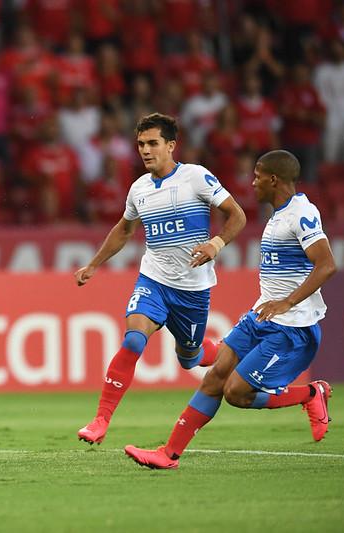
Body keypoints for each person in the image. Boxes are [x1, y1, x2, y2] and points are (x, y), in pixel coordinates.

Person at [124, 150, 337, 469]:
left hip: (293, 327)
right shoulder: (278, 214)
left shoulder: (302, 213)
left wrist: (287, 302)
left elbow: (327, 264)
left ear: (274, 179)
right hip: (261, 318)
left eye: (258, 175)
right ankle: (168, 455)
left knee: (237, 393)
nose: (253, 182)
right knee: (214, 377)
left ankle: (310, 393)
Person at [75, 112, 247, 445]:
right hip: (153, 280)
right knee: (134, 339)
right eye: (140, 144)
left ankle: (228, 349)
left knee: (190, 358)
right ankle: (100, 421)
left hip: (192, 290)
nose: (145, 150)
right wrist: (94, 264)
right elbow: (124, 229)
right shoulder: (139, 188)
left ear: (171, 145)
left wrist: (217, 242)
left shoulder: (196, 177)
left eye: (153, 143)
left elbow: (236, 215)